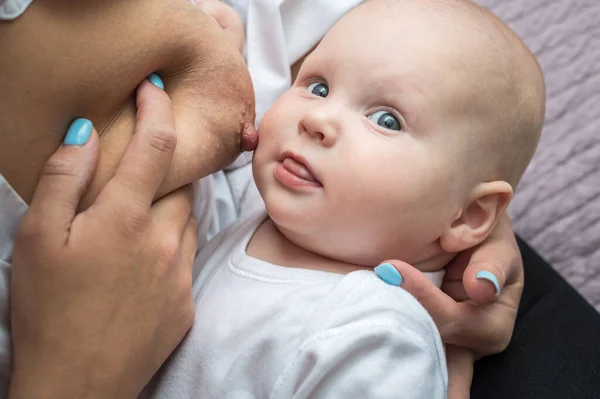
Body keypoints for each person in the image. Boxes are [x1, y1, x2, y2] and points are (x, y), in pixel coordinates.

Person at [0, 0, 542, 397]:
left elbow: (442, 70)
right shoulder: (245, 237)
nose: (318, 118)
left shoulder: (375, 336)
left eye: (386, 120)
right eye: (318, 86)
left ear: (472, 214)